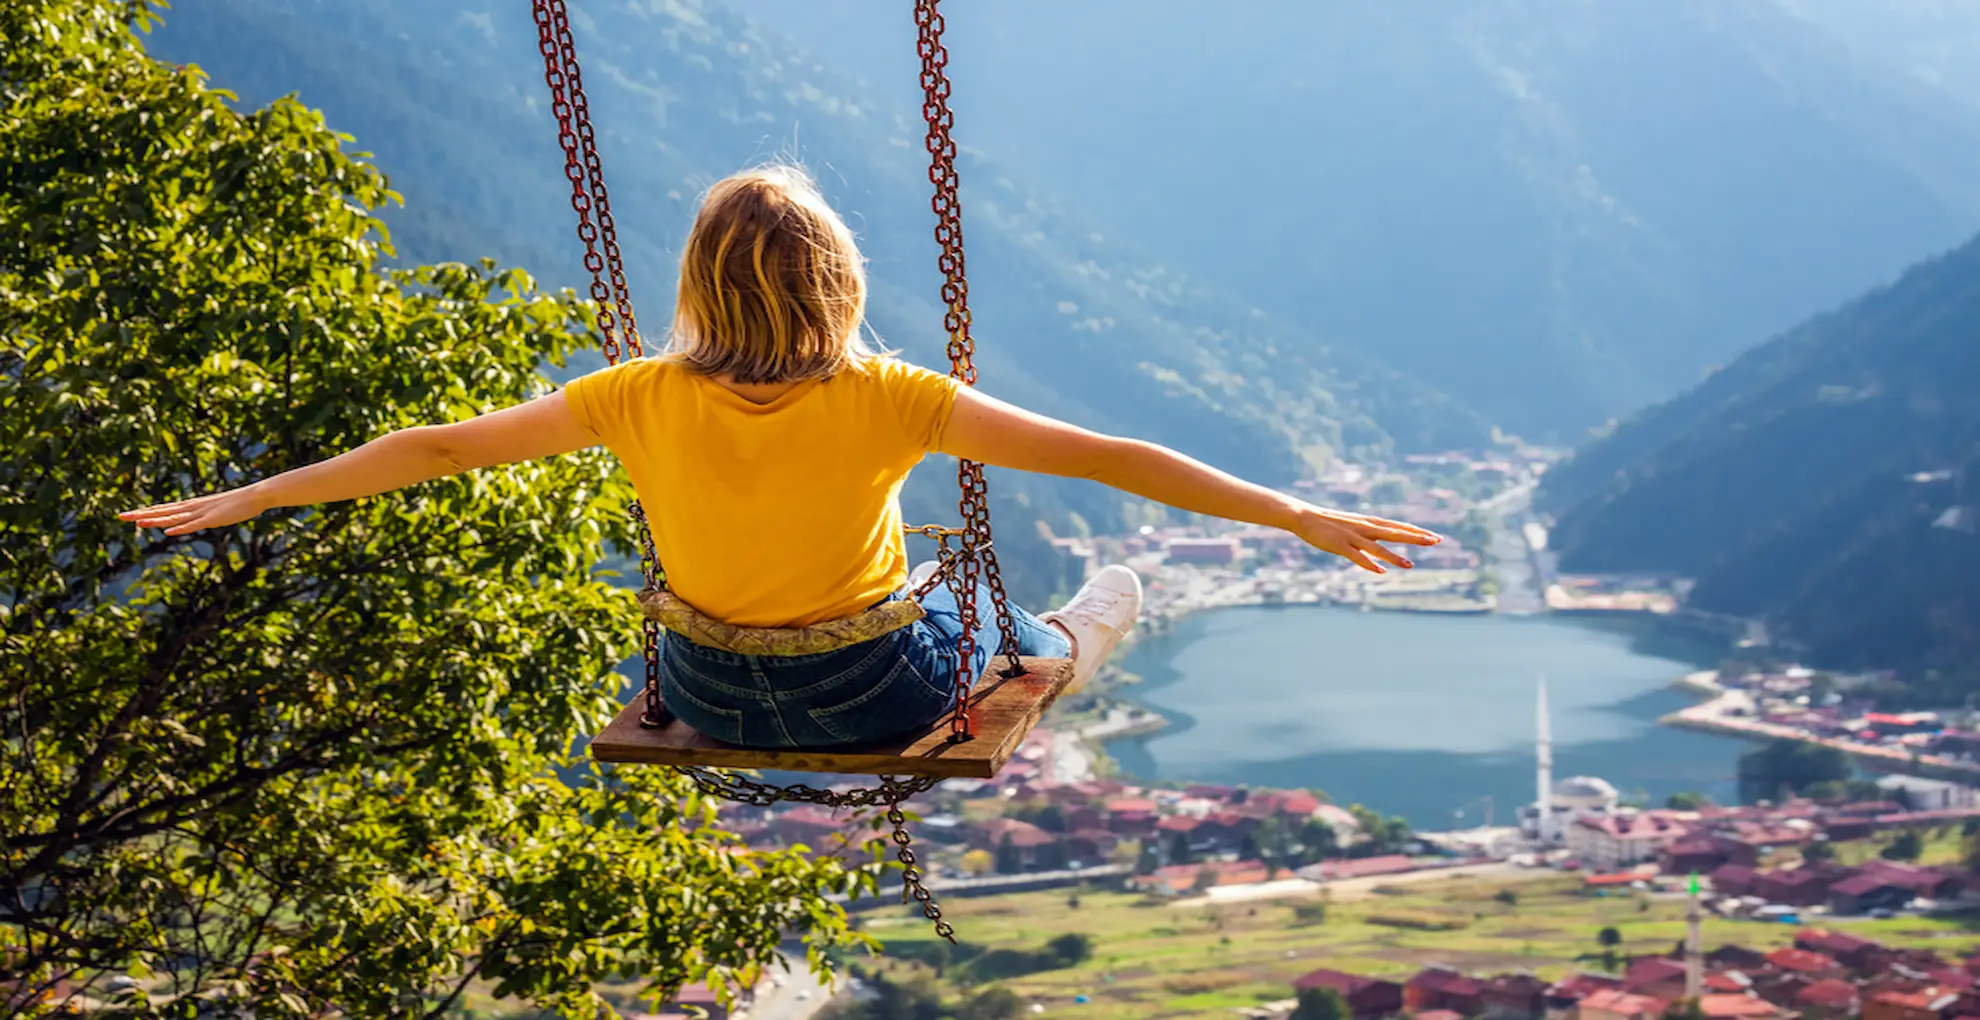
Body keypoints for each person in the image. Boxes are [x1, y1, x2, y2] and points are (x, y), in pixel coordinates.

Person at [121, 164, 1441, 750]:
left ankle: (1059, 642)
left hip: (700, 687)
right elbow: (1107, 453)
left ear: (695, 283)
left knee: (926, 601)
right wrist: (1296, 514)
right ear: (841, 282)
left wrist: (253, 495)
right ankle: (1074, 651)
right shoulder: (894, 396)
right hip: (870, 695)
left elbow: (436, 445)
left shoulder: (634, 394)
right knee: (1017, 615)